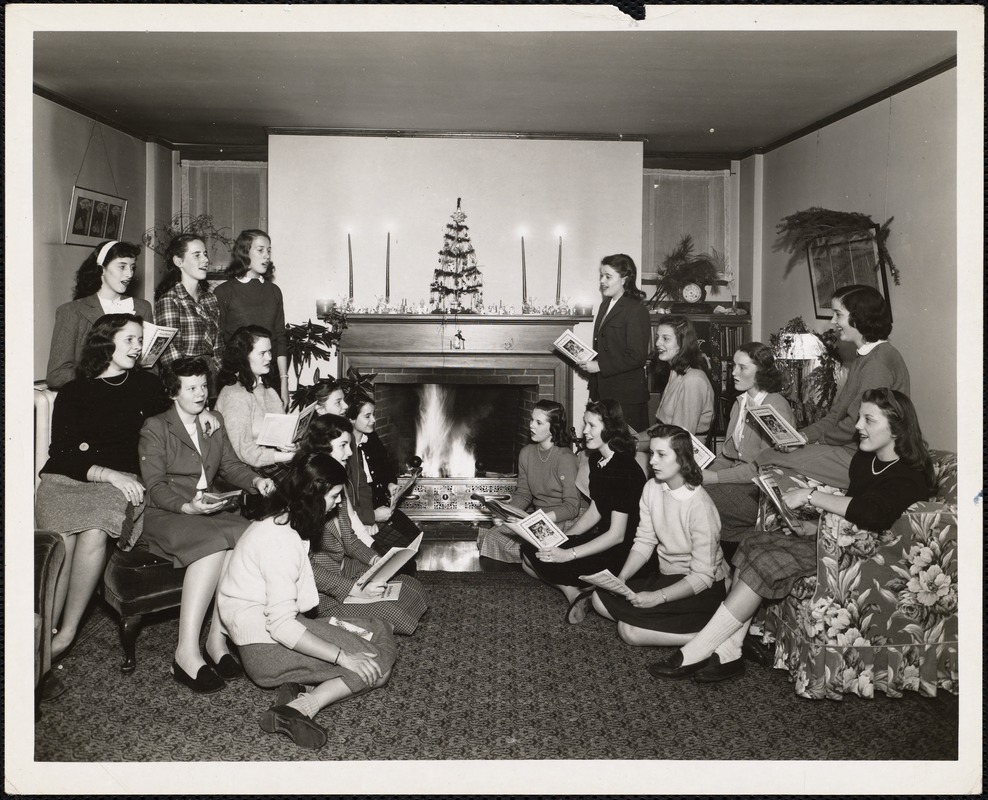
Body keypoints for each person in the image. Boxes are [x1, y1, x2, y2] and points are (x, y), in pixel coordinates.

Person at [647, 388, 934, 683]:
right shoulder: (865, 460)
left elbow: (874, 514)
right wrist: (816, 527)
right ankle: (730, 650)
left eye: (868, 420)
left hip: (866, 558)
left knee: (768, 559)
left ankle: (698, 649)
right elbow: (851, 512)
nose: (858, 426)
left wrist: (811, 496)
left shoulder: (910, 474)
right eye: (860, 418)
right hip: (837, 540)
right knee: (753, 542)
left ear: (896, 426)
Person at [217, 453, 397, 750]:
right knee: (378, 667)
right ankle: (301, 708)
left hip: (280, 631)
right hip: (265, 650)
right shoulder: (280, 540)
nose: (338, 503)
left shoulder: (281, 523)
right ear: (315, 494)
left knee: (378, 626)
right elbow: (283, 628)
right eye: (335, 495)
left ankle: (297, 686)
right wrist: (343, 656)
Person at [36, 314, 171, 659]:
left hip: (118, 486)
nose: (138, 347)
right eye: (129, 339)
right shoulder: (73, 391)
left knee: (95, 531)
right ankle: (42, 632)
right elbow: (61, 454)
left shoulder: (147, 386)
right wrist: (109, 474)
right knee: (60, 539)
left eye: (140, 340)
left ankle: (65, 635)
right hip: (67, 480)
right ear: (105, 342)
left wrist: (207, 417)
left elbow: (174, 422)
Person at [139, 357, 276, 694]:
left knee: (248, 537)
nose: (201, 394)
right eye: (191, 388)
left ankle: (216, 640)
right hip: (166, 512)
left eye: (203, 386)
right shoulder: (156, 427)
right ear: (173, 392)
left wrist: (256, 481)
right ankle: (185, 652)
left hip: (208, 509)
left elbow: (230, 466)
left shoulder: (212, 421)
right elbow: (155, 486)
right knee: (216, 541)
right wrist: (186, 505)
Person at [759, 284, 910, 489]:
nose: (833, 321)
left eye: (838, 314)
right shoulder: (865, 356)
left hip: (863, 457)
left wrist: (815, 442)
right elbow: (837, 414)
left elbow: (856, 424)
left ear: (860, 317)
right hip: (851, 448)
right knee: (772, 455)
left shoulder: (877, 364)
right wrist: (803, 436)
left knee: (768, 457)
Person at [591, 425, 727, 644]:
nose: (652, 461)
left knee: (629, 632)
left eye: (661, 454)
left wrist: (657, 597)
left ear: (682, 459)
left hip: (698, 587)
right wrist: (622, 578)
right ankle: (663, 624)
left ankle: (713, 637)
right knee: (599, 598)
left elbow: (702, 577)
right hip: (666, 577)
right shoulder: (651, 488)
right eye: (652, 453)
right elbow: (644, 541)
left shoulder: (700, 505)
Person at [517, 399, 646, 624]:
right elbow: (595, 511)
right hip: (602, 538)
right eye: (584, 424)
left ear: (610, 428)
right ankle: (577, 592)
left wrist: (568, 553)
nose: (585, 431)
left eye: (591, 426)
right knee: (530, 551)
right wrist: (566, 539)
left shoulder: (624, 468)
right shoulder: (598, 460)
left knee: (547, 560)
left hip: (624, 549)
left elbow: (618, 535)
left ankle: (589, 587)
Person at [298, 414, 429, 634]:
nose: (350, 453)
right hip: (322, 590)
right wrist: (353, 589)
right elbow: (307, 567)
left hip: (345, 570)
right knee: (396, 613)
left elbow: (349, 539)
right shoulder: (306, 490)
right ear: (323, 447)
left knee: (411, 586)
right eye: (343, 446)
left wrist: (376, 560)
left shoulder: (336, 486)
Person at [700, 342, 794, 558]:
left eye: (742, 368)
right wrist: (699, 474)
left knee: (699, 500)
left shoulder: (775, 407)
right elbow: (728, 454)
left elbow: (765, 467)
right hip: (738, 481)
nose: (733, 373)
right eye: (734, 366)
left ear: (762, 372)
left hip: (761, 491)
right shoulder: (740, 403)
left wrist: (714, 477)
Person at [477, 400, 581, 563]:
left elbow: (571, 507)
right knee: (492, 537)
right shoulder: (526, 453)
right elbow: (524, 495)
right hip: (535, 518)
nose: (531, 425)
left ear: (553, 427)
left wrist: (534, 521)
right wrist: (505, 514)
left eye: (539, 422)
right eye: (532, 420)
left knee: (534, 550)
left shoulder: (565, 458)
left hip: (562, 519)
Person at [46, 240, 153, 389]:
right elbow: (56, 375)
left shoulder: (143, 308)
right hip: (90, 395)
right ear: (102, 269)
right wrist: (102, 375)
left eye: (132, 267)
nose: (129, 274)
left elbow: (150, 367)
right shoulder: (71, 311)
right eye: (122, 266)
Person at [213, 230, 289, 408]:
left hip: (270, 378)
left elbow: (280, 339)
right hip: (236, 380)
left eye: (269, 251)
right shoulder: (224, 292)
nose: (267, 256)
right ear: (245, 252)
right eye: (260, 250)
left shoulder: (274, 291)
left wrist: (284, 383)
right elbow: (219, 342)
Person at [344, 389, 422, 559]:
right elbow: (348, 499)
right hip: (364, 510)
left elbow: (386, 467)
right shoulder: (344, 451)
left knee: (414, 536)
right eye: (367, 416)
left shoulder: (371, 438)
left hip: (380, 503)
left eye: (373, 415)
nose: (373, 420)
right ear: (351, 418)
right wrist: (370, 518)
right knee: (398, 552)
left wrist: (390, 484)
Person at [578, 254, 651, 431]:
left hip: (626, 399)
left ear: (625, 279)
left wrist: (599, 366)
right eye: (601, 276)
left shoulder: (636, 310)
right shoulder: (605, 306)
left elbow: (637, 356)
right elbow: (603, 349)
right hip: (604, 395)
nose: (602, 281)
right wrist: (593, 392)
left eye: (608, 277)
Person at [215, 325, 296, 479]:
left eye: (270, 351)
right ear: (244, 357)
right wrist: (290, 456)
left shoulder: (268, 390)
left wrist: (288, 446)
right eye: (262, 353)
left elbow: (279, 436)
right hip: (249, 471)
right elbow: (246, 453)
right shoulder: (234, 395)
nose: (270, 358)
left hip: (270, 462)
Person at [154, 234, 224, 397]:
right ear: (179, 262)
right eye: (197, 255)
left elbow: (218, 347)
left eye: (205, 254)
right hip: (184, 381)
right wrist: (190, 383)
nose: (205, 260)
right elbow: (168, 353)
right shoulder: (170, 300)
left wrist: (218, 376)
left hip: (211, 378)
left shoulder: (211, 299)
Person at [647, 315, 714, 441]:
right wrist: (632, 440)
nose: (657, 343)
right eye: (657, 337)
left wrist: (634, 445)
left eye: (665, 339)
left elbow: (680, 439)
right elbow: (661, 427)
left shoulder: (693, 380)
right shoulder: (675, 372)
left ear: (682, 343)